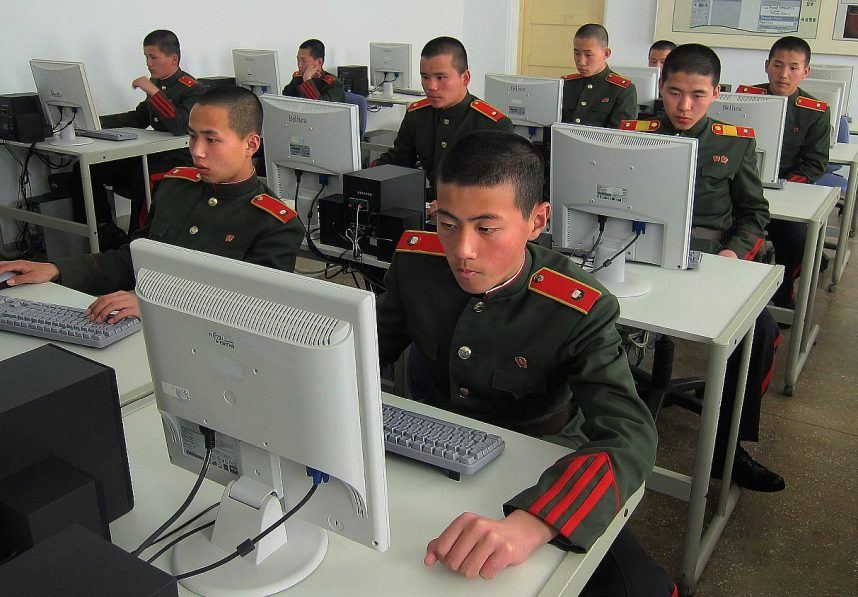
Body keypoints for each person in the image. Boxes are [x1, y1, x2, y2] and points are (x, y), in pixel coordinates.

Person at [377, 130, 674, 595]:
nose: (462, 249)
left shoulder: (578, 306)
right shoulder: (417, 262)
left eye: (486, 228)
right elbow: (360, 353)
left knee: (640, 587)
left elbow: (631, 433)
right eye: (447, 222)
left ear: (536, 221)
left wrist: (535, 522)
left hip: (539, 461)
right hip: (428, 452)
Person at [620, 43, 785, 492]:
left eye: (697, 94)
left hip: (710, 259)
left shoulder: (735, 141)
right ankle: (602, 433)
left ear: (715, 93)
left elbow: (754, 213)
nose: (684, 105)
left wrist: (732, 257)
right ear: (662, 87)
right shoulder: (633, 132)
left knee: (762, 330)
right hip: (640, 252)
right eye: (674, 92)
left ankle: (729, 450)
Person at [0, 86, 304, 324]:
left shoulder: (276, 224)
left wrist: (153, 303)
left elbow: (256, 310)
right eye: (192, 136)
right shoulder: (176, 188)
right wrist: (56, 269)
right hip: (139, 325)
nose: (196, 152)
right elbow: (131, 259)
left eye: (211, 140)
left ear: (250, 145)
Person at [736, 36, 831, 308]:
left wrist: (778, 187)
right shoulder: (743, 99)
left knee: (795, 238)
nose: (784, 74)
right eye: (777, 65)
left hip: (786, 191)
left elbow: (814, 165)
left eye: (793, 67)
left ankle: (785, 282)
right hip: (743, 188)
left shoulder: (815, 112)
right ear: (767, 66)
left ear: (805, 71)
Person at [85, 29, 206, 243]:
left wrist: (153, 91)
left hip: (177, 158)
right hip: (151, 154)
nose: (148, 64)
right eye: (146, 58)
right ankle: (103, 228)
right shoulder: (158, 85)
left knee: (140, 177)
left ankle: (137, 240)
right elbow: (138, 118)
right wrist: (94, 121)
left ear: (173, 59)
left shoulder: (192, 89)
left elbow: (179, 124)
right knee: (88, 168)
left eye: (153, 57)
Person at [372, 36, 513, 202]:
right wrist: (361, 174)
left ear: (465, 78)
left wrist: (452, 207)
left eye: (440, 77)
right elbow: (399, 161)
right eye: (425, 77)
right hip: (432, 205)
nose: (431, 86)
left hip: (473, 212)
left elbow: (500, 188)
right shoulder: (417, 115)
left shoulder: (493, 125)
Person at [561, 24, 638, 128]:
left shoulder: (622, 90)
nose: (581, 62)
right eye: (577, 54)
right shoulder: (566, 84)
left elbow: (620, 138)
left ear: (606, 54)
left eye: (588, 55)